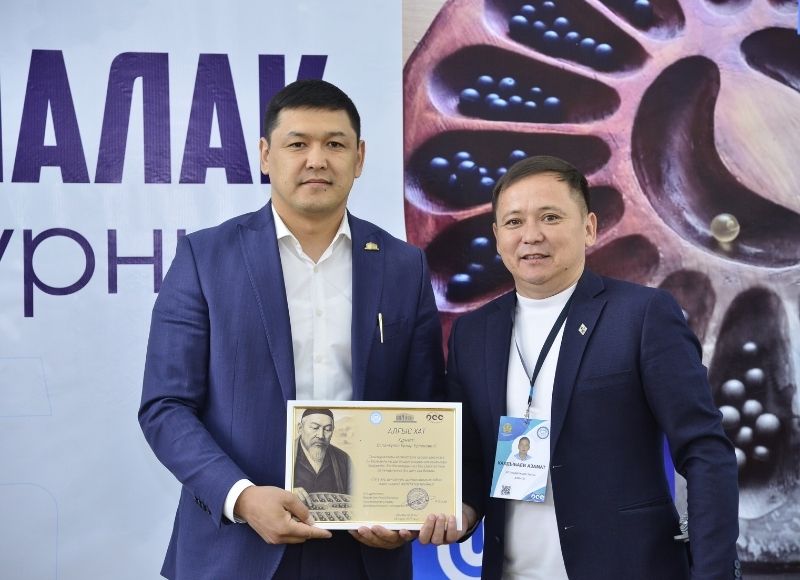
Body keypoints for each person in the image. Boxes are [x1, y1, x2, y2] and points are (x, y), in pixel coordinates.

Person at [139, 79, 444, 580]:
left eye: (335, 144)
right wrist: (241, 498)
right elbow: (165, 406)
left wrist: (404, 510)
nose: (317, 160)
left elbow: (424, 405)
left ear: (360, 157)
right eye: (298, 144)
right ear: (266, 155)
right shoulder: (204, 258)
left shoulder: (403, 265)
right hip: (234, 549)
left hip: (362, 554)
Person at [419, 156, 740, 579]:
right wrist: (462, 507)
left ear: (589, 227)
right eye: (514, 222)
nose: (531, 235)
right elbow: (473, 459)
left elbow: (706, 452)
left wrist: (713, 573)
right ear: (497, 237)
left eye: (550, 217)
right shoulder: (472, 333)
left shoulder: (643, 316)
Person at [293, 408, 353, 502]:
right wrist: (288, 491)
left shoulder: (343, 459)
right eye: (314, 428)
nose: (321, 435)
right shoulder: (286, 454)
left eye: (327, 429)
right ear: (300, 428)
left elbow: (356, 498)